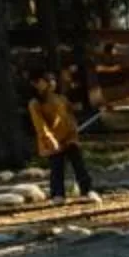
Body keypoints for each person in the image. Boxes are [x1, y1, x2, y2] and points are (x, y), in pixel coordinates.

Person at [28, 71, 99, 202]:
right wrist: (50, 139)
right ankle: (57, 194)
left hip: (70, 138)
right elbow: (40, 124)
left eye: (51, 80)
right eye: (44, 80)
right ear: (35, 84)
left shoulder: (61, 98)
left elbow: (70, 116)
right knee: (57, 168)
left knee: (79, 165)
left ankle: (87, 190)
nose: (50, 83)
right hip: (53, 141)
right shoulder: (35, 103)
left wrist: (73, 132)